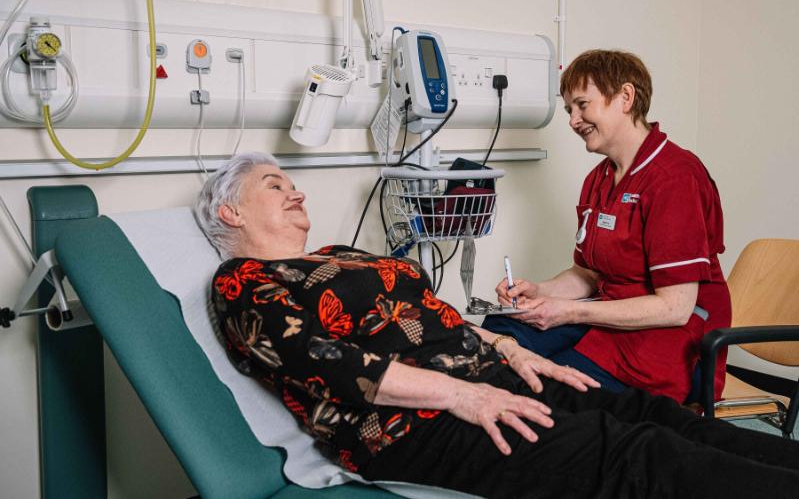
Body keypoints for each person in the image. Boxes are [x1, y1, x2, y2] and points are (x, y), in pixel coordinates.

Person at [194, 152, 799, 499]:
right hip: (416, 423)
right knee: (637, 456)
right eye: (276, 185)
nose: (296, 192)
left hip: (489, 384)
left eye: (293, 183)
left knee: (649, 415)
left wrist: (512, 351)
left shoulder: (341, 255)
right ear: (232, 210)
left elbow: (435, 317)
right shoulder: (243, 282)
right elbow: (334, 367)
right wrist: (467, 393)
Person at [485, 49, 730, 403]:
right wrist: (540, 292)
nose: (573, 120)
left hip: (667, 339)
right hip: (608, 317)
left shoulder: (675, 177)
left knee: (551, 388)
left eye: (583, 105)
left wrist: (568, 311)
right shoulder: (599, 179)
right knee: (495, 336)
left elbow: (674, 308)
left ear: (625, 98)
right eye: (570, 109)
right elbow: (587, 275)